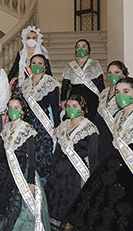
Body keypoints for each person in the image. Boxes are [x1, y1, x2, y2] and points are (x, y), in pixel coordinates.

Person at [62, 76, 133, 231]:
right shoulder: (118, 117)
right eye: (118, 91)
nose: (121, 95)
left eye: (126, 91)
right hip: (114, 173)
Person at [0, 95, 49, 231]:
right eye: (10, 108)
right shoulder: (6, 128)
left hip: (21, 171)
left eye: (16, 108)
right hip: (3, 168)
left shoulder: (27, 129)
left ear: (22, 111)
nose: (13, 110)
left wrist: (30, 182)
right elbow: (2, 152)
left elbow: (31, 158)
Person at [46, 94, 99, 231]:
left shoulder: (89, 129)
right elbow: (57, 152)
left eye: (74, 106)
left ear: (82, 109)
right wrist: (51, 171)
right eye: (68, 106)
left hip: (75, 175)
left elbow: (93, 157)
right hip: (58, 173)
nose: (70, 109)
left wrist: (94, 182)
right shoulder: (63, 125)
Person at [19, 54, 60, 185]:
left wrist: (57, 127)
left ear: (45, 66)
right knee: (30, 156)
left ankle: (45, 188)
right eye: (34, 63)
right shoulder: (25, 84)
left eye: (40, 63)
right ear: (30, 66)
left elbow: (55, 107)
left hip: (44, 125)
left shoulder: (51, 83)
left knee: (44, 156)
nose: (37, 65)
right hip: (29, 124)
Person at [60, 41, 104, 121]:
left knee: (91, 119)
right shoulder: (70, 65)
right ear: (75, 50)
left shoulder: (94, 64)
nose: (81, 49)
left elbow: (100, 83)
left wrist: (103, 99)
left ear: (88, 49)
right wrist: (63, 100)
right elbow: (65, 84)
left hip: (91, 96)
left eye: (84, 46)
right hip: (75, 94)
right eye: (78, 47)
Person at [94, 60, 129, 160]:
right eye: (110, 73)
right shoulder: (104, 92)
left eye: (116, 72)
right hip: (102, 136)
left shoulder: (129, 91)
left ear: (124, 73)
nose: (113, 75)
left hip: (118, 135)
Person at [9, 27, 50, 94]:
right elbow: (14, 70)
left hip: (40, 85)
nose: (31, 40)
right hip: (25, 86)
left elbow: (48, 71)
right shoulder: (21, 54)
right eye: (28, 38)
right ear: (25, 39)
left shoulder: (43, 53)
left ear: (37, 39)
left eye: (34, 38)